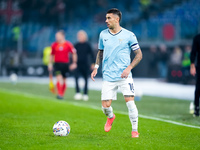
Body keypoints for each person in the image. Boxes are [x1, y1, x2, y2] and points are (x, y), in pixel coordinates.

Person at [91, 8, 142, 138]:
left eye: (108, 18)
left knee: (130, 102)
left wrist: (129, 68)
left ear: (117, 19)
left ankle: (134, 130)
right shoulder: (103, 34)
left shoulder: (129, 35)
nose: (106, 20)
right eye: (106, 18)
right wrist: (96, 67)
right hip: (108, 76)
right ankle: (111, 117)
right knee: (105, 106)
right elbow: (100, 52)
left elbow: (139, 54)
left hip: (124, 76)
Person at [48, 30, 77, 99]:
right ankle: (59, 94)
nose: (57, 37)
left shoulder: (68, 44)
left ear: (63, 36)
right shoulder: (54, 45)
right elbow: (51, 55)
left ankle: (62, 94)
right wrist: (50, 64)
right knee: (58, 78)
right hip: (57, 64)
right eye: (56, 36)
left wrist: (74, 63)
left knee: (64, 79)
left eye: (58, 36)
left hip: (65, 64)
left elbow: (74, 53)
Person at [74, 30, 95, 101]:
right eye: (79, 36)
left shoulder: (87, 45)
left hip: (85, 64)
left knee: (86, 79)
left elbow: (92, 55)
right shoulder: (76, 45)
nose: (80, 37)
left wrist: (93, 63)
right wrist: (73, 63)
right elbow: (73, 55)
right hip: (77, 64)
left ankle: (85, 94)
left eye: (81, 35)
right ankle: (77, 93)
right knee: (76, 78)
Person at [190, 34, 200, 117]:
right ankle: (196, 107)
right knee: (198, 87)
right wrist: (192, 65)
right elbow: (193, 52)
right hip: (199, 66)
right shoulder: (197, 38)